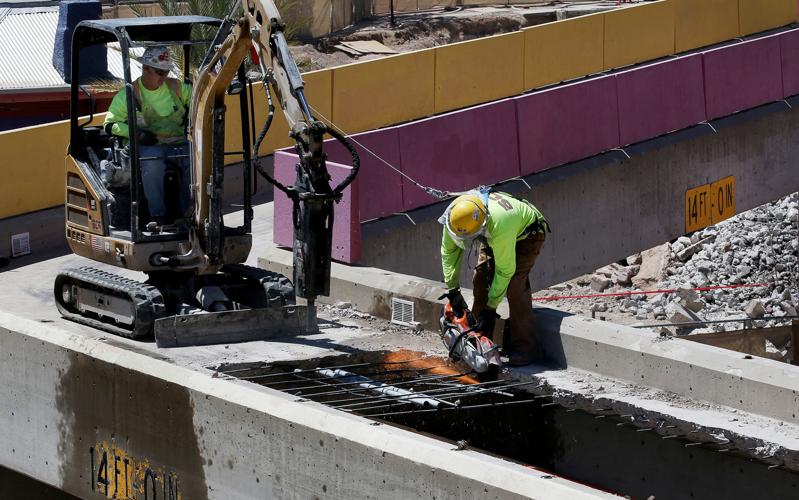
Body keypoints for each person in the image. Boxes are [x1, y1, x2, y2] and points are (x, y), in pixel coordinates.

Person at [439, 189, 550, 366]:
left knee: (515, 286)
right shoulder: (456, 215)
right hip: (491, 235)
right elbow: (449, 251)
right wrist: (453, 291)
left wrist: (491, 308)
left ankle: (525, 348)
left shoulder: (500, 223)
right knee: (480, 279)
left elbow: (505, 270)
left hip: (527, 235)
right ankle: (477, 339)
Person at [104, 45, 192, 224]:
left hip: (178, 143)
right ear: (145, 68)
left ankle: (188, 213)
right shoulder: (129, 94)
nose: (163, 77)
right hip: (149, 146)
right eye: (159, 72)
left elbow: (200, 101)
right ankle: (158, 215)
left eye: (166, 72)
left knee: (193, 159)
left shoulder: (177, 88)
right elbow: (109, 124)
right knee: (152, 162)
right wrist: (136, 134)